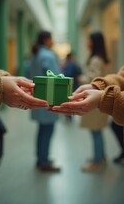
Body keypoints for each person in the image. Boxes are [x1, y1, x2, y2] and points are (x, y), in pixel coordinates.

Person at [51, 32, 110, 172]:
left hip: (95, 99)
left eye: (89, 40)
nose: (87, 42)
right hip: (100, 98)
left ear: (94, 42)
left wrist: (81, 78)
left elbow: (94, 79)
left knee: (95, 130)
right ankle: (100, 156)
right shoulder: (101, 58)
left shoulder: (96, 59)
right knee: (98, 130)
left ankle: (96, 161)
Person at [29, 31, 61, 173]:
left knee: (42, 130)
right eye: (51, 38)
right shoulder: (48, 56)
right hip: (49, 100)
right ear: (47, 40)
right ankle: (45, 162)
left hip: (37, 98)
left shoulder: (35, 55)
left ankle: (40, 157)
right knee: (48, 130)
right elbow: (57, 80)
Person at [50, 65, 124, 125]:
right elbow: (122, 76)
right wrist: (97, 86)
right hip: (95, 93)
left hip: (98, 97)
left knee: (96, 131)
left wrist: (106, 98)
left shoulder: (96, 59)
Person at [62, 52, 82, 121]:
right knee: (71, 100)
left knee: (68, 100)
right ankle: (69, 114)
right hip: (74, 85)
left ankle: (68, 114)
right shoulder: (74, 64)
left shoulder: (70, 64)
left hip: (70, 85)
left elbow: (67, 75)